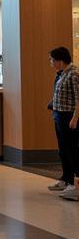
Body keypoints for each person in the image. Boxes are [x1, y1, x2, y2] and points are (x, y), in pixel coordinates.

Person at [47, 47, 79, 199]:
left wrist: (75, 118)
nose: (51, 63)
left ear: (60, 60)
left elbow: (78, 98)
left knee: (72, 149)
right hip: (59, 115)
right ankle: (67, 179)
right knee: (63, 149)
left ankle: (75, 184)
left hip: (69, 116)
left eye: (52, 60)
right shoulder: (61, 74)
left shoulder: (73, 73)